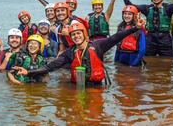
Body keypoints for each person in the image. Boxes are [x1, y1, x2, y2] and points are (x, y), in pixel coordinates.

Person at [13, 18, 146, 85]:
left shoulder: (98, 45)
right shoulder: (69, 53)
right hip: (78, 86)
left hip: (97, 86)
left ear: (85, 35)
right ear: (70, 38)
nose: (76, 36)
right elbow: (50, 66)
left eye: (79, 34)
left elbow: (117, 37)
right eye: (73, 35)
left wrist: (135, 28)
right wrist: (29, 72)